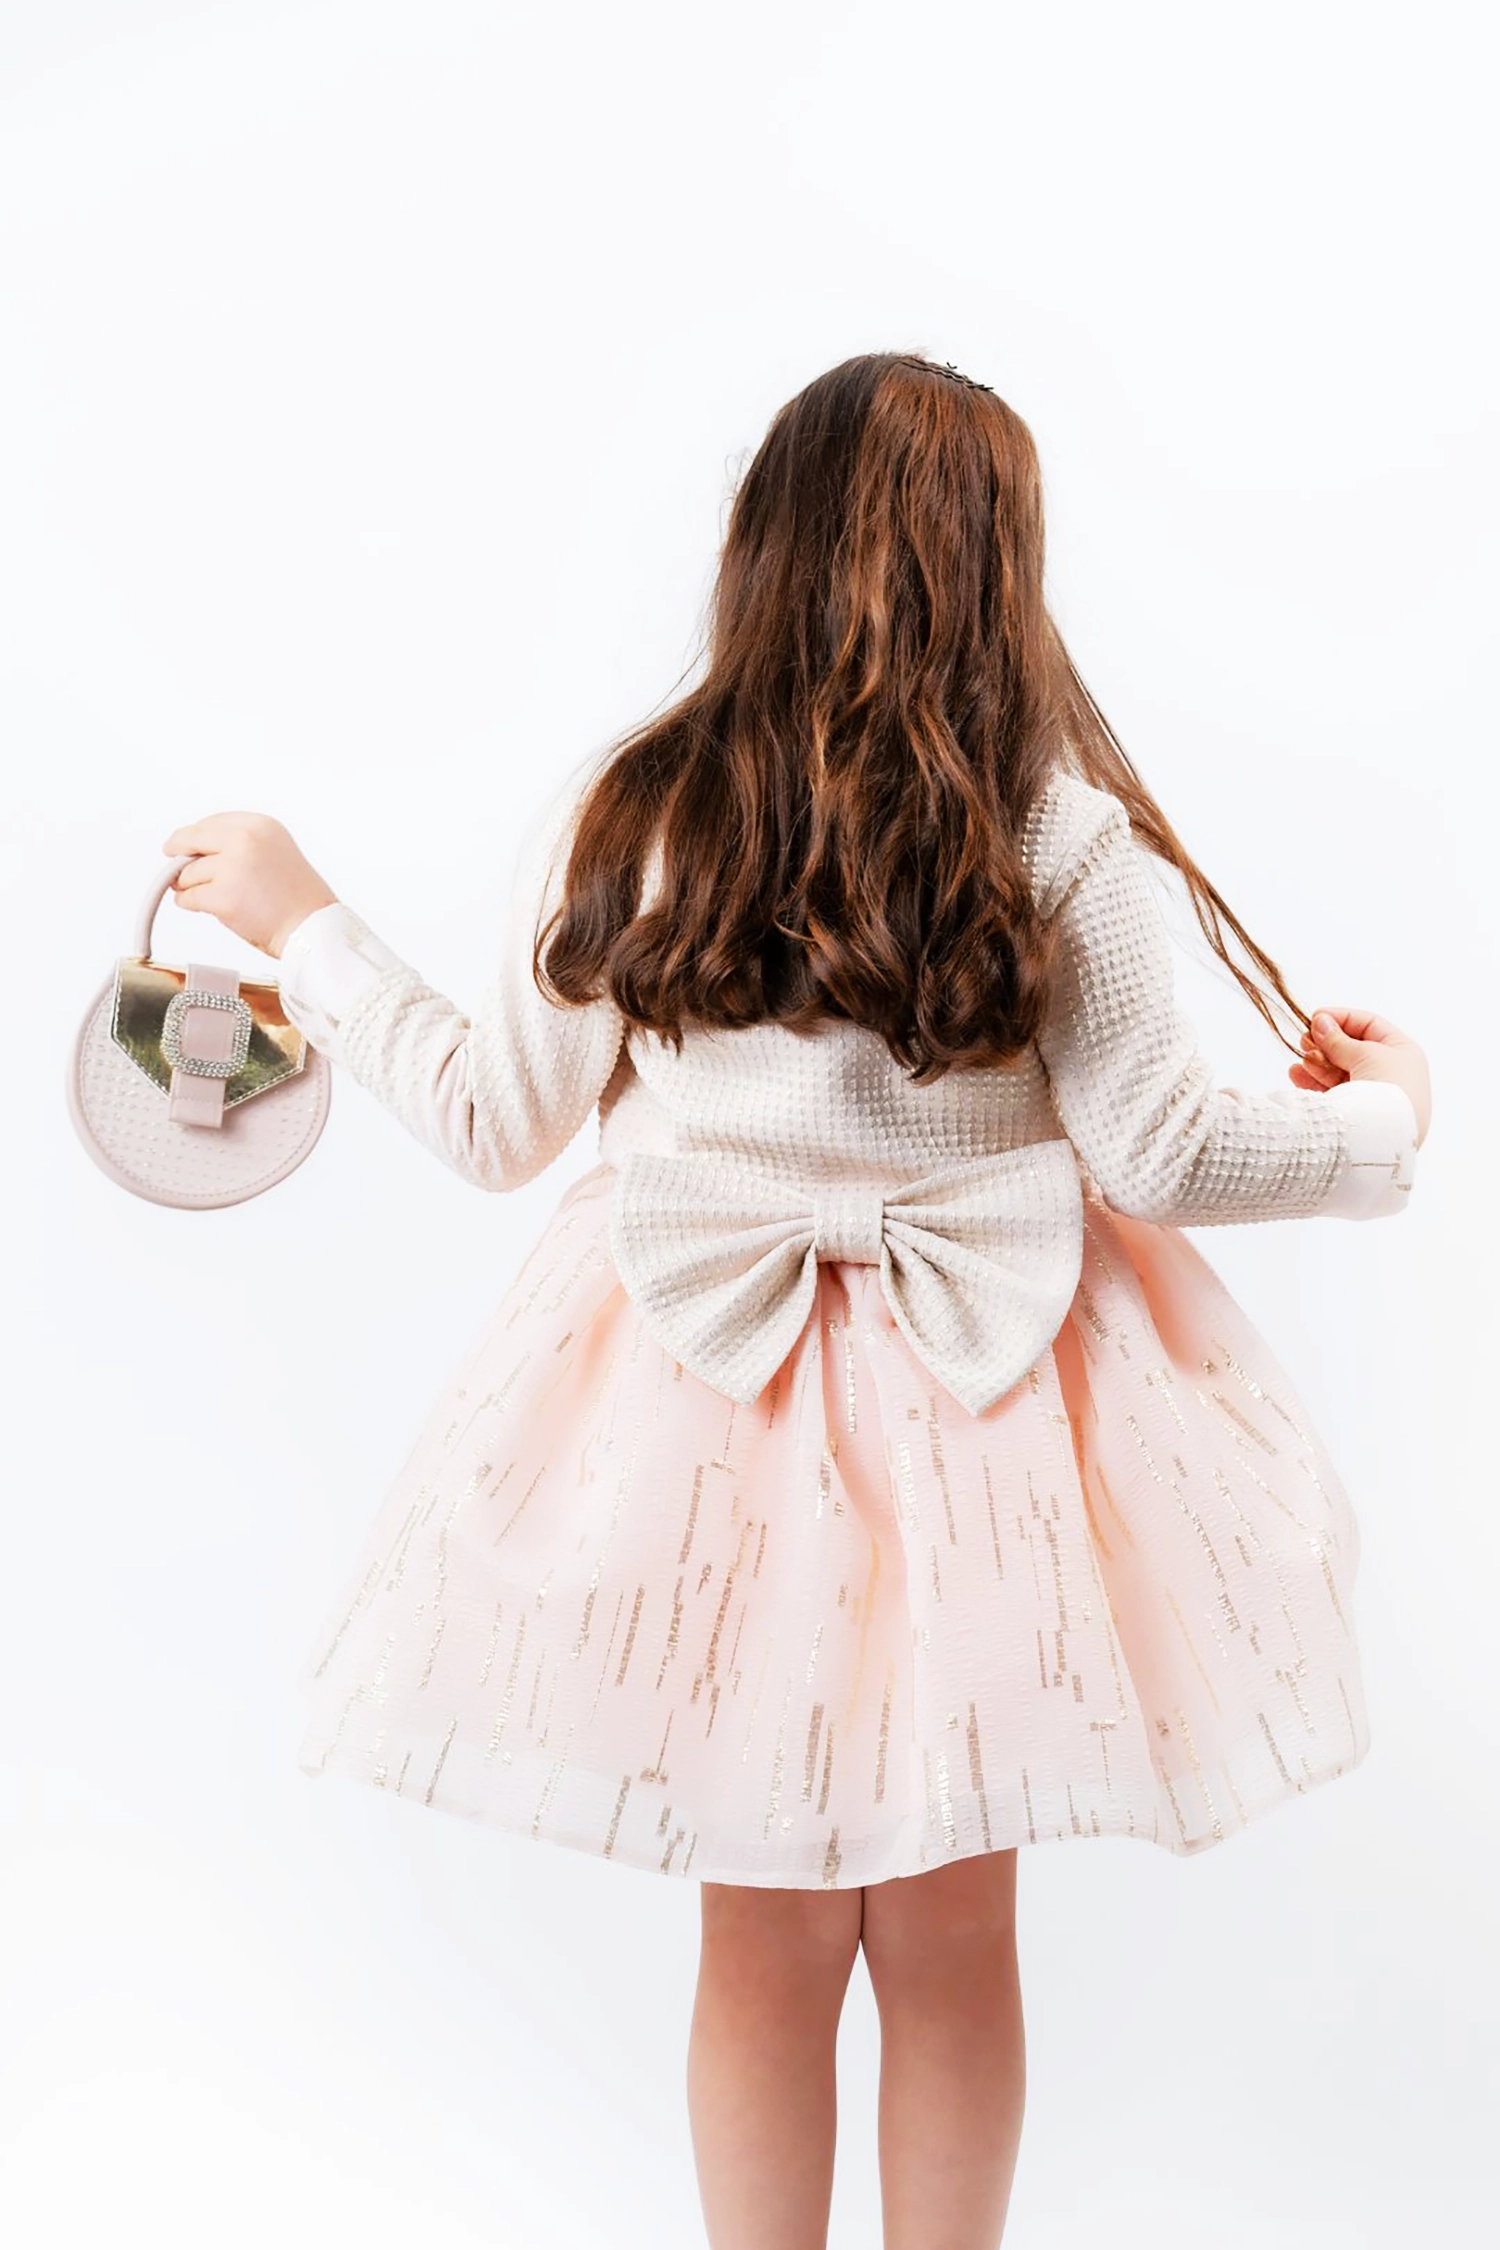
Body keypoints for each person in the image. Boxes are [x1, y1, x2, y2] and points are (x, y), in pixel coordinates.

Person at [160, 350, 1431, 2250]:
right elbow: (1165, 1147)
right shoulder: (1059, 835)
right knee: (953, 1927)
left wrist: (303, 923)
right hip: (991, 1415)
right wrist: (1386, 1127)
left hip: (703, 1417)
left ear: (760, 543)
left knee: (756, 1932)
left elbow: (495, 1118)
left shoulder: (647, 814)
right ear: (1002, 571)